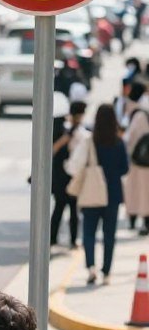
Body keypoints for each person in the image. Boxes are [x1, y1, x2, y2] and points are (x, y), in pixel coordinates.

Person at [67, 102, 130, 285]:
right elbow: (125, 169)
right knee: (109, 235)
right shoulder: (119, 142)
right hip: (112, 194)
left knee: (88, 233)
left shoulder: (90, 140)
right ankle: (107, 272)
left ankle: (91, 268)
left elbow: (76, 165)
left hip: (91, 192)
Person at [50, 96, 80, 249]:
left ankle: (72, 240)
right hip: (60, 175)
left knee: (72, 210)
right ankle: (53, 238)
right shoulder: (59, 127)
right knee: (60, 207)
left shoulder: (77, 130)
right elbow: (52, 150)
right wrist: (65, 139)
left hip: (70, 174)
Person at [123, 90, 149, 235]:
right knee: (146, 193)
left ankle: (133, 219)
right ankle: (146, 221)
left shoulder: (139, 116)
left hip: (138, 160)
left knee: (135, 191)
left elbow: (130, 137)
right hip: (146, 161)